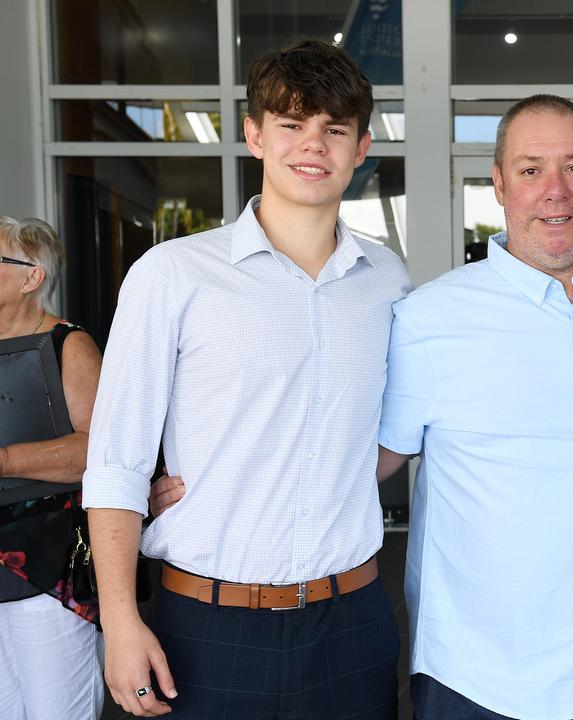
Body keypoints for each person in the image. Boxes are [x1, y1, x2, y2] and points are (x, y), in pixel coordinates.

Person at [83, 39, 411, 718]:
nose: (312, 145)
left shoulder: (387, 282)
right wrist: (119, 620)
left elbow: (384, 435)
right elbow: (116, 458)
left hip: (351, 624)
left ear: (360, 147)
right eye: (292, 125)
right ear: (254, 135)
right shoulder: (172, 275)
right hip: (207, 625)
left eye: (334, 129)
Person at [375, 95, 573, 719]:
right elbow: (367, 465)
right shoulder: (429, 319)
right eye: (530, 170)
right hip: (484, 683)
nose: (556, 191)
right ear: (498, 183)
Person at [0, 217, 104, 720]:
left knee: (54, 710)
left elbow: (100, 452)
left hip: (47, 563)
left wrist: (3, 460)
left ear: (30, 276)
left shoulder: (69, 345)